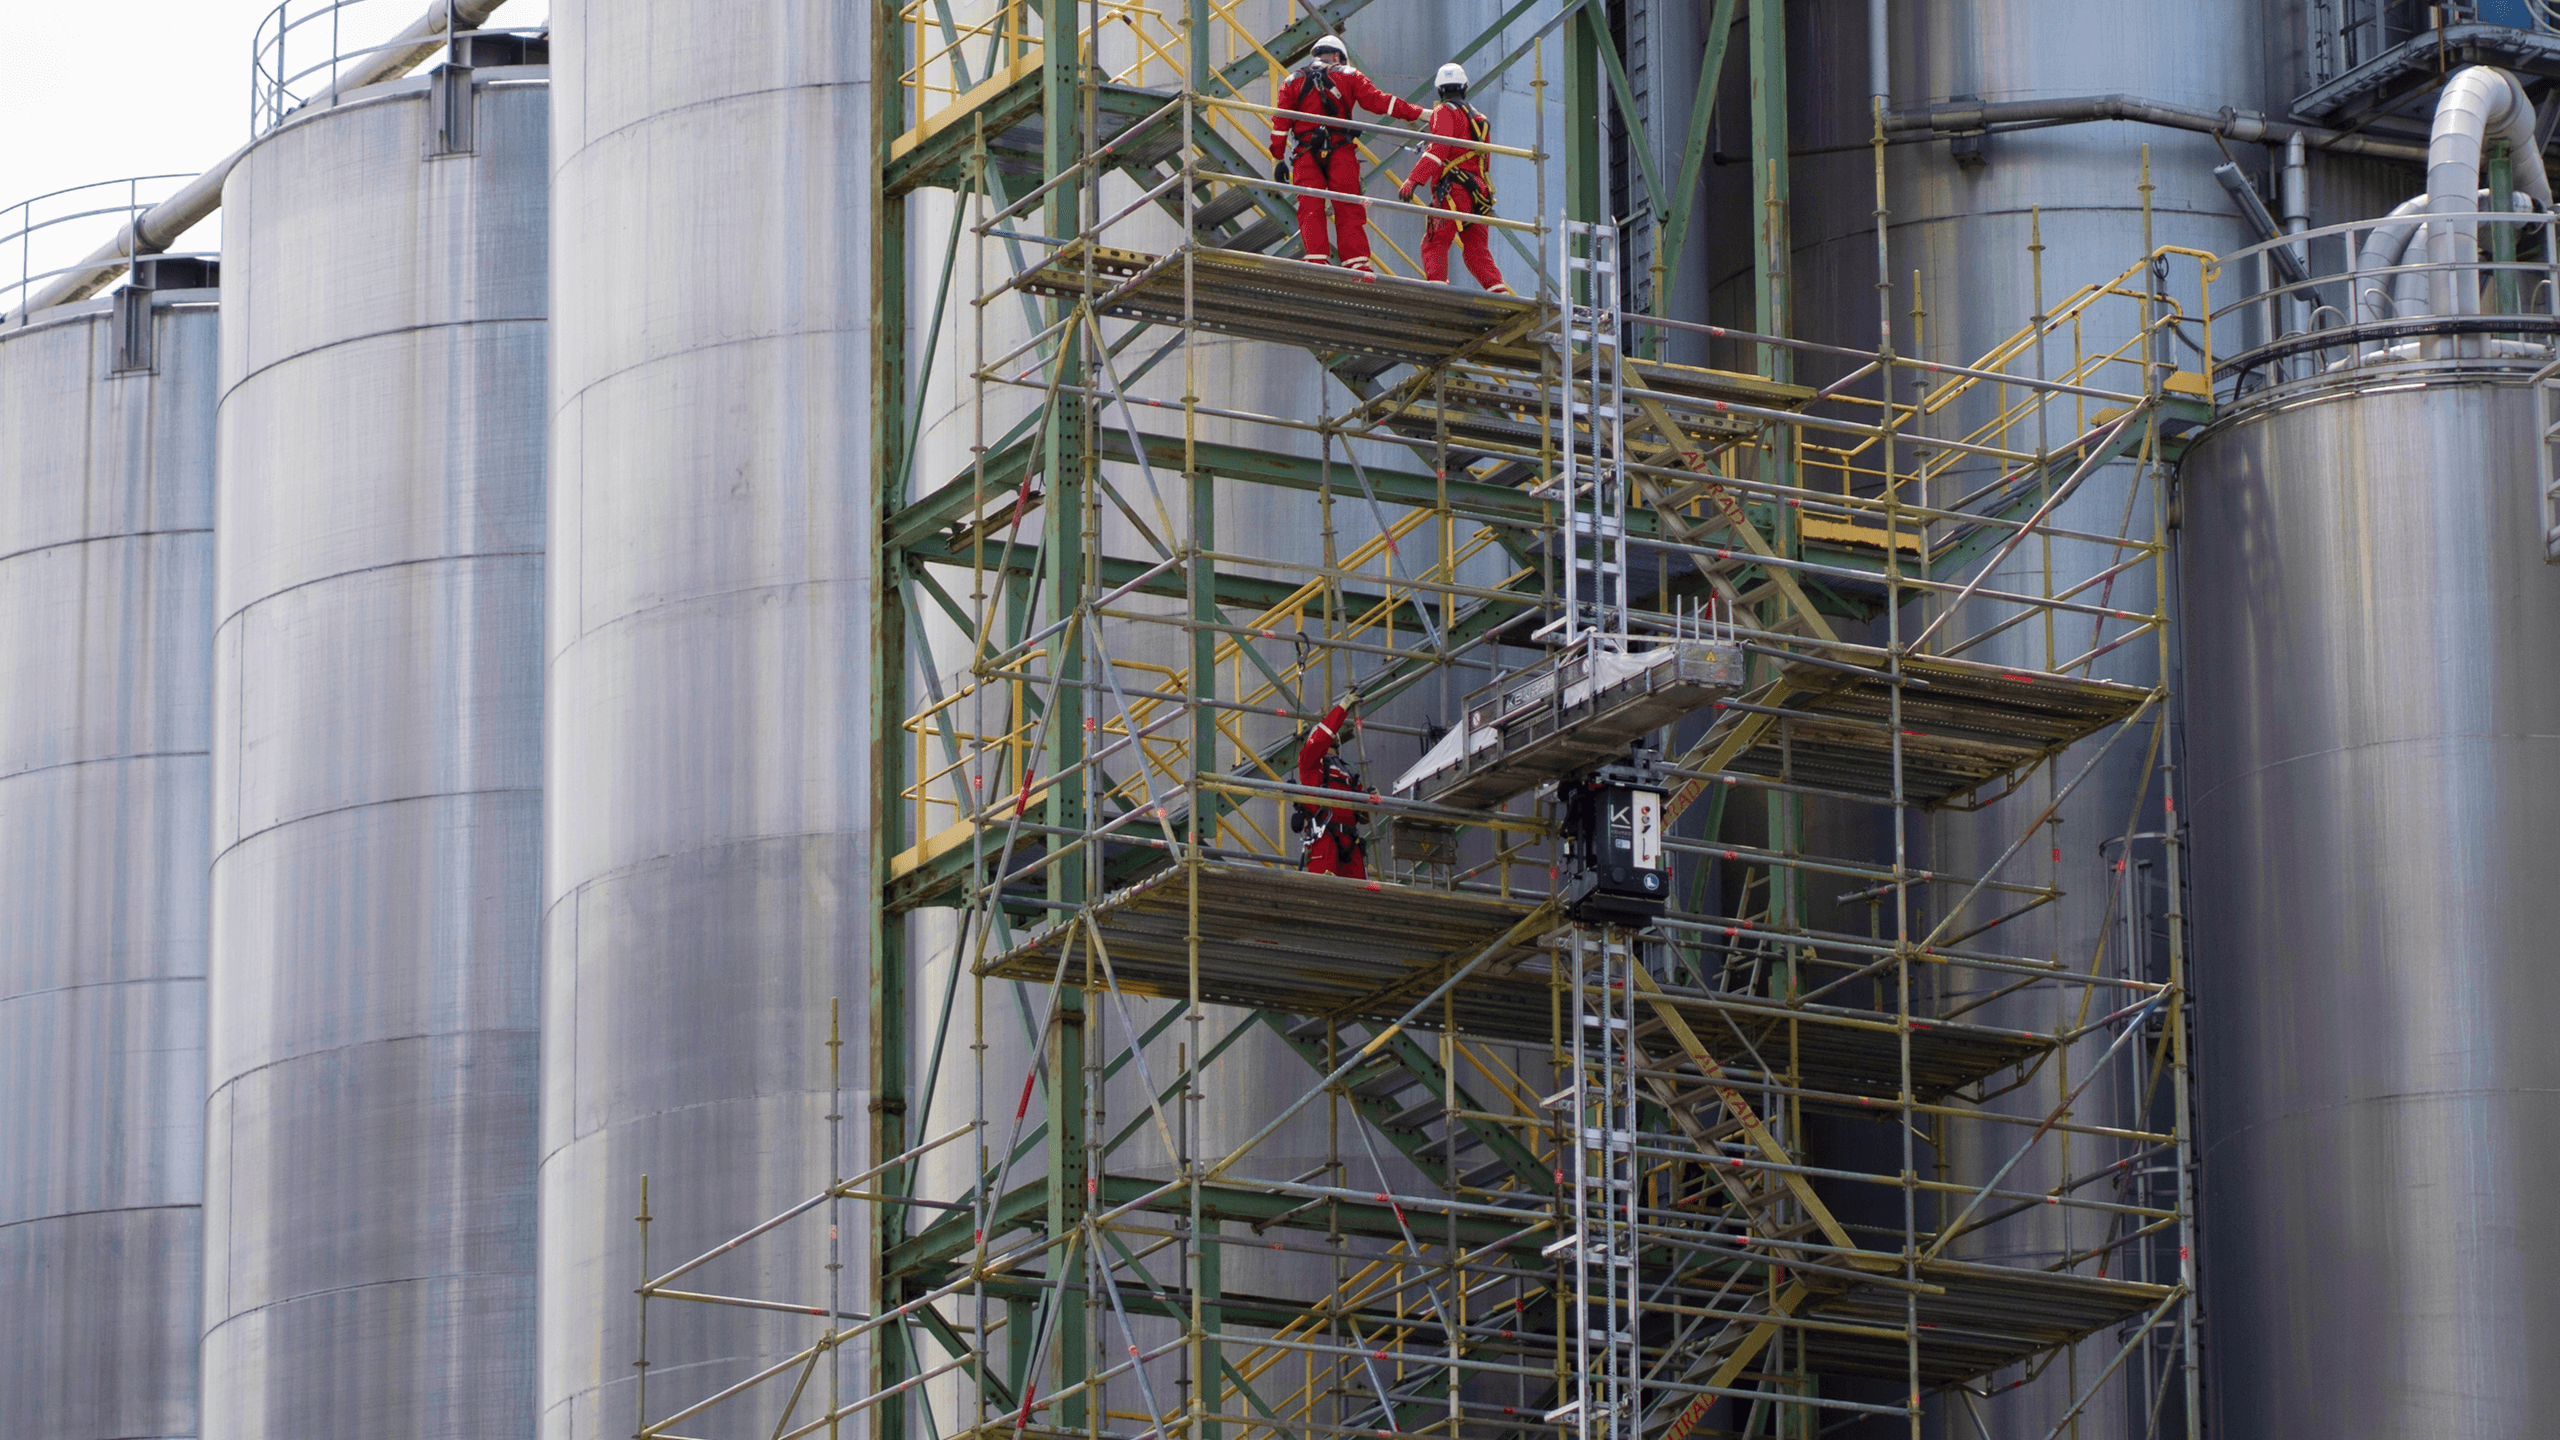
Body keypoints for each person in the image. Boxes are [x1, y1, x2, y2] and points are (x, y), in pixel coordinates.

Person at [1268, 35, 1422, 274]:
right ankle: (1358, 266)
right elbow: (1380, 102)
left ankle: (1317, 261)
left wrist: (1277, 159)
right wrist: (1419, 113)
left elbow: (1280, 125)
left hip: (1306, 155)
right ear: (1338, 56)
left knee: (1310, 207)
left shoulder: (1291, 80)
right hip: (1340, 152)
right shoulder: (1349, 75)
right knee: (1349, 207)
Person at [1398, 62, 1512, 294]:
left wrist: (1413, 179)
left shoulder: (1444, 112)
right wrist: (1486, 199)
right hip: (1479, 191)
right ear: (1464, 87)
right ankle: (1499, 294)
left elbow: (1437, 150)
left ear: (1440, 91)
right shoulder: (1480, 119)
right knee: (1476, 250)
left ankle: (1438, 294)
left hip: (1454, 190)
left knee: (1435, 242)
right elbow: (1485, 161)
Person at [1294, 689, 1369, 878]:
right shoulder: (1311, 764)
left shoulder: (1349, 774)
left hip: (1351, 843)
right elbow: (1319, 739)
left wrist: (1370, 798)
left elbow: (1363, 815)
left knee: (1361, 898)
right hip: (1324, 840)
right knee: (1325, 894)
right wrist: (1342, 708)